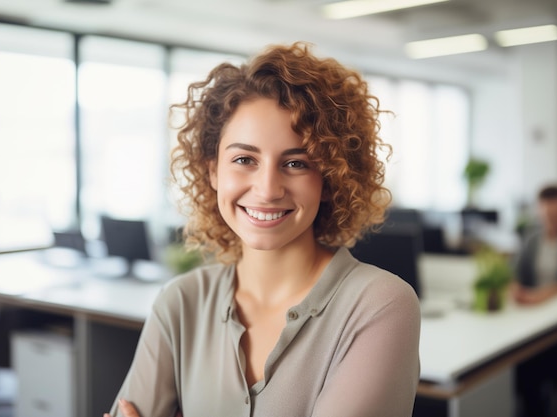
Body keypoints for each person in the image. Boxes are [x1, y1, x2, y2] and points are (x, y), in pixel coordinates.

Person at [104, 42, 420, 417]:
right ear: (213, 172)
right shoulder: (180, 303)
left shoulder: (379, 304)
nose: (268, 189)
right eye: (244, 159)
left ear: (329, 177)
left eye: (297, 163)